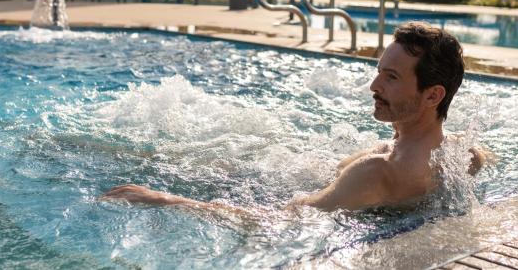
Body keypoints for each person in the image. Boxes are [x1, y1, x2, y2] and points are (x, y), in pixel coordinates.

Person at [101, 21, 485, 213]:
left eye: (391, 77)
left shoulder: (375, 173)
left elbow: (277, 220)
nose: (374, 85)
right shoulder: (464, 155)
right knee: (216, 163)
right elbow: (482, 157)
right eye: (379, 70)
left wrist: (164, 199)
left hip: (295, 192)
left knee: (171, 168)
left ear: (433, 95)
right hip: (305, 173)